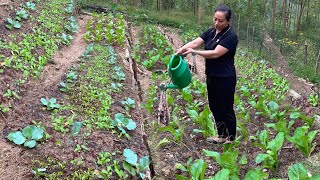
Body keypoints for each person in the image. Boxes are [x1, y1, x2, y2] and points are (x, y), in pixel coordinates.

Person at [176, 5, 238, 144]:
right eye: (215, 19)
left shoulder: (231, 36)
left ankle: (231, 138)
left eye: (220, 21)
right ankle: (221, 135)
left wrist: (195, 52)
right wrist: (182, 49)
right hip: (212, 75)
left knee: (225, 106)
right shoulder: (211, 32)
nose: (217, 23)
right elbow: (195, 42)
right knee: (214, 105)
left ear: (228, 21)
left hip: (225, 77)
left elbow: (216, 53)